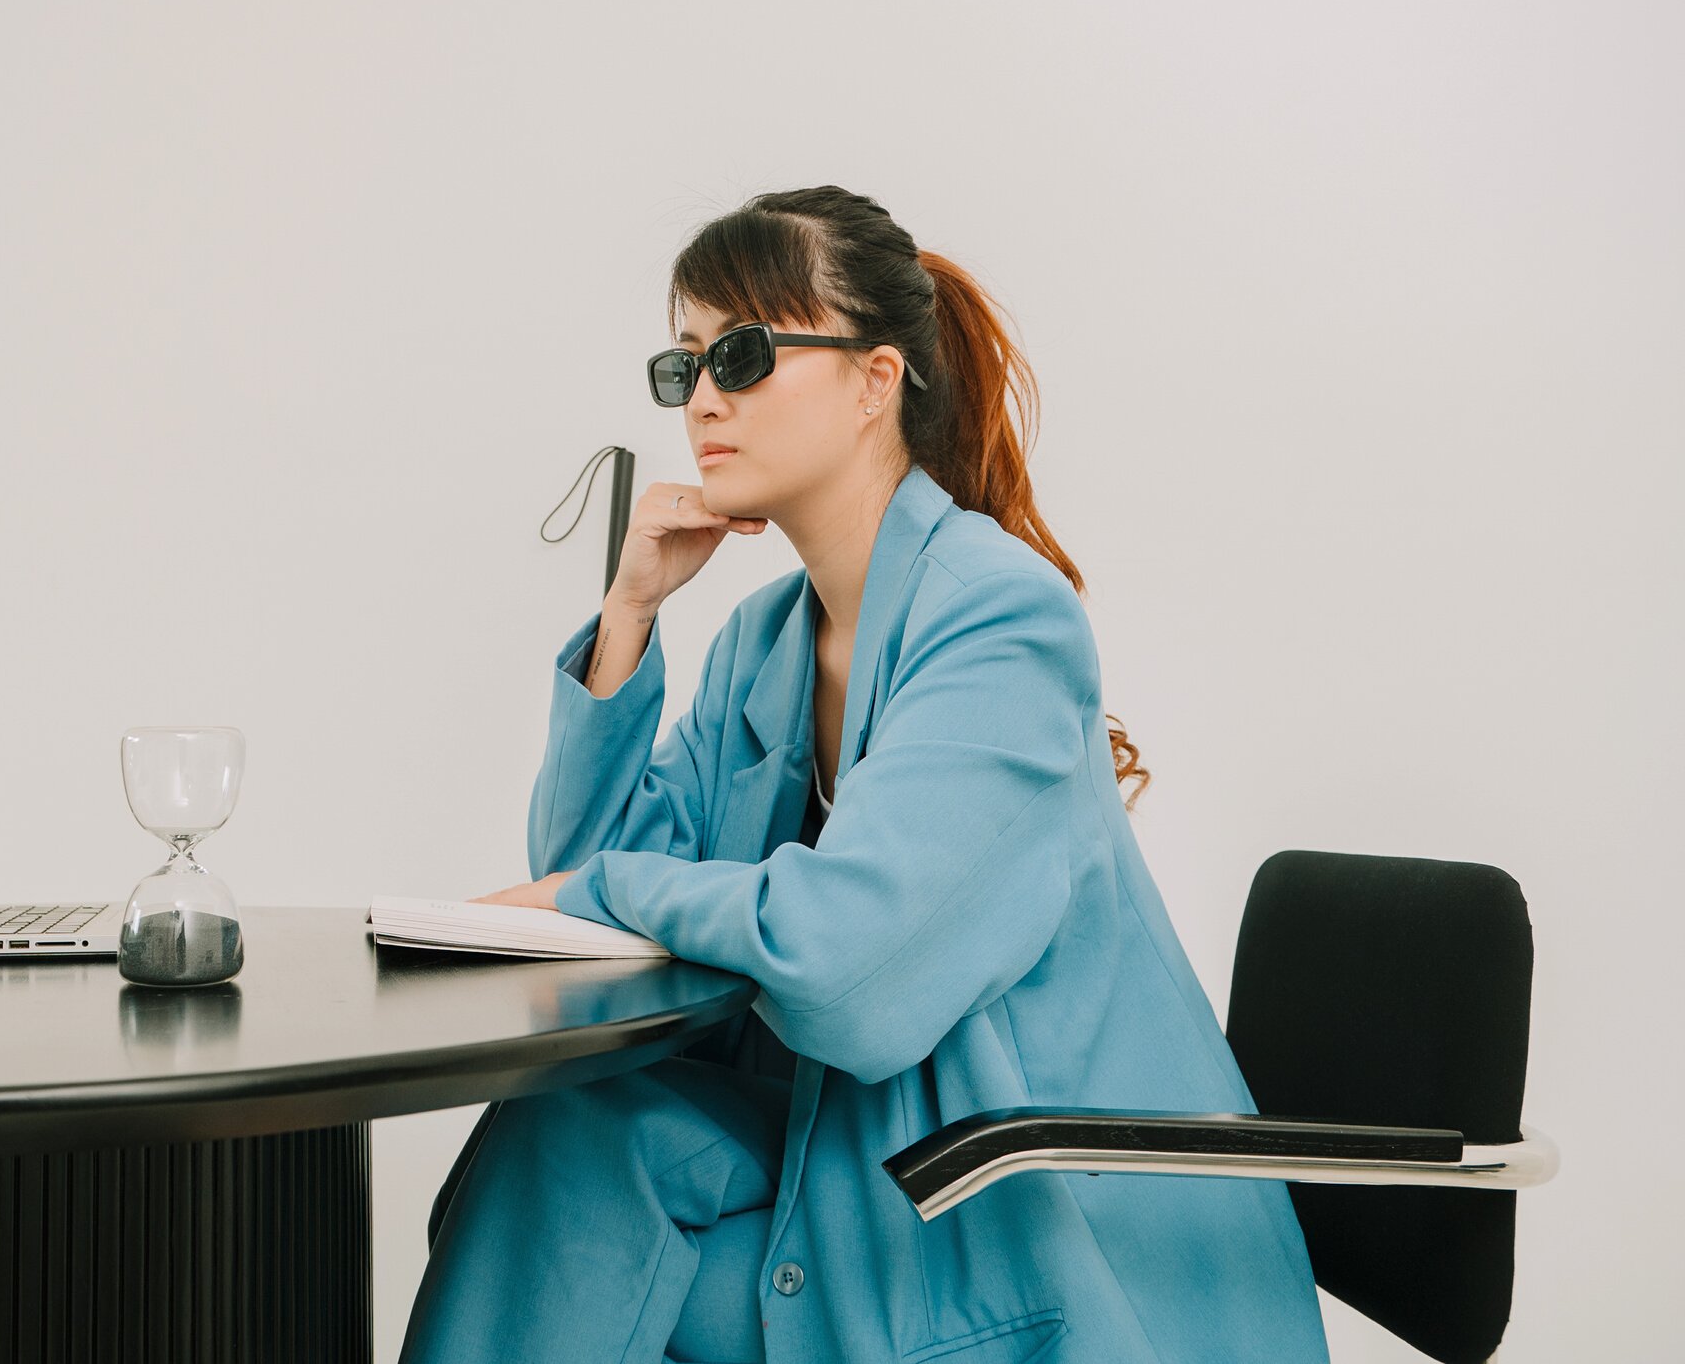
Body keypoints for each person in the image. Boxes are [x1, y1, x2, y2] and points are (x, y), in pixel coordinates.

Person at [398, 187, 1331, 1363]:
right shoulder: (764, 645)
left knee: (567, 1212)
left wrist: (595, 894)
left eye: (743, 353)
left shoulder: (1001, 621)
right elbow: (582, 894)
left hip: (1028, 1226)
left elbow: (853, 981)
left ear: (875, 381)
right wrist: (628, 611)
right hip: (860, 1178)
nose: (705, 399)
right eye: (685, 365)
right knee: (572, 1135)